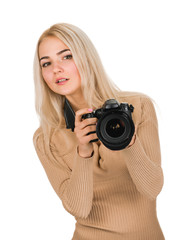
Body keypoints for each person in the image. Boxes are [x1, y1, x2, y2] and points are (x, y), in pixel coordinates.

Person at [33, 23, 165, 240]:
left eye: (66, 56)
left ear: (86, 58)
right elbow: (79, 209)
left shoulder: (138, 108)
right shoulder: (47, 138)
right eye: (46, 63)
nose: (56, 68)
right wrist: (83, 153)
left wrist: (128, 139)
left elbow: (152, 189)